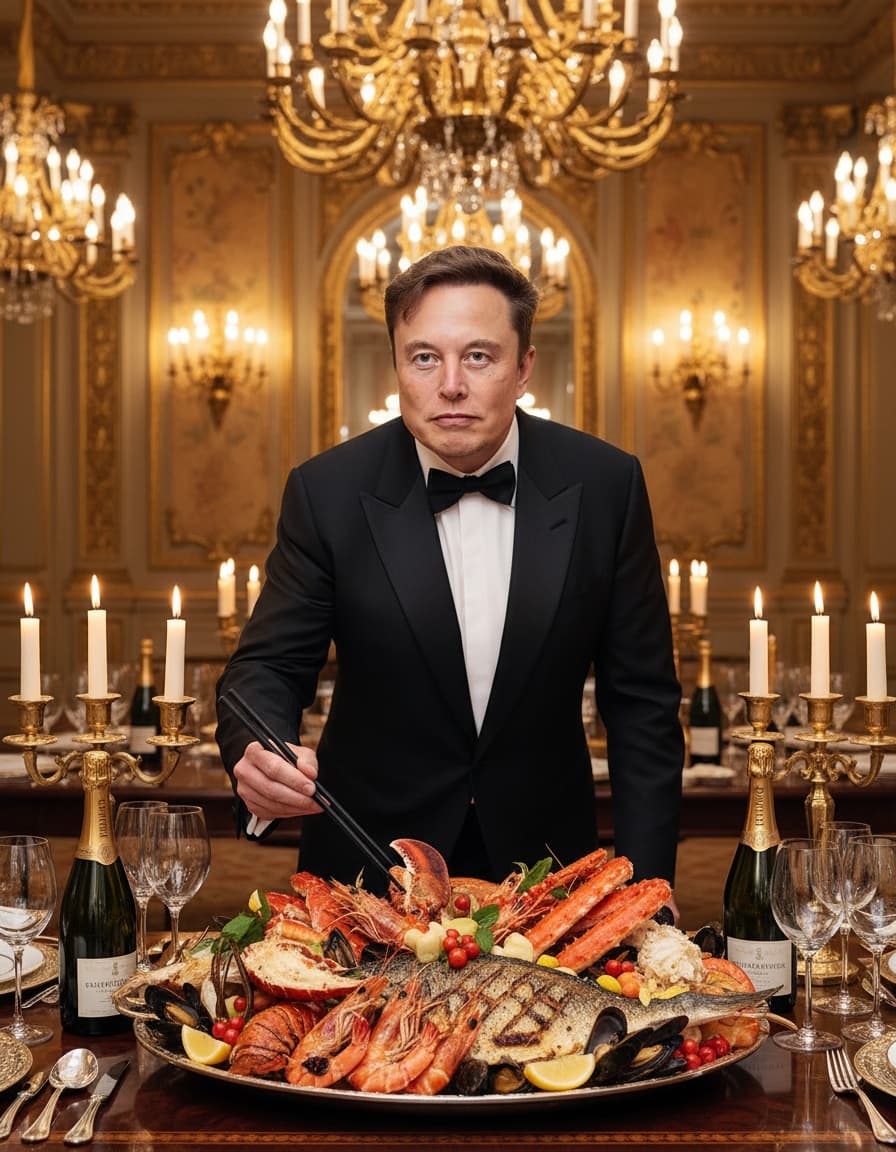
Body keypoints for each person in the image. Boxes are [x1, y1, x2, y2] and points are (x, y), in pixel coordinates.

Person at [216, 244, 684, 900]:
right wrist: (259, 749)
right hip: (366, 868)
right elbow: (266, 668)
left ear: (524, 368)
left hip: (547, 872)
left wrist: (647, 898)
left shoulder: (607, 485)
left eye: (480, 356)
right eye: (425, 357)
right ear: (399, 364)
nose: (451, 385)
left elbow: (642, 710)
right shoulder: (327, 491)